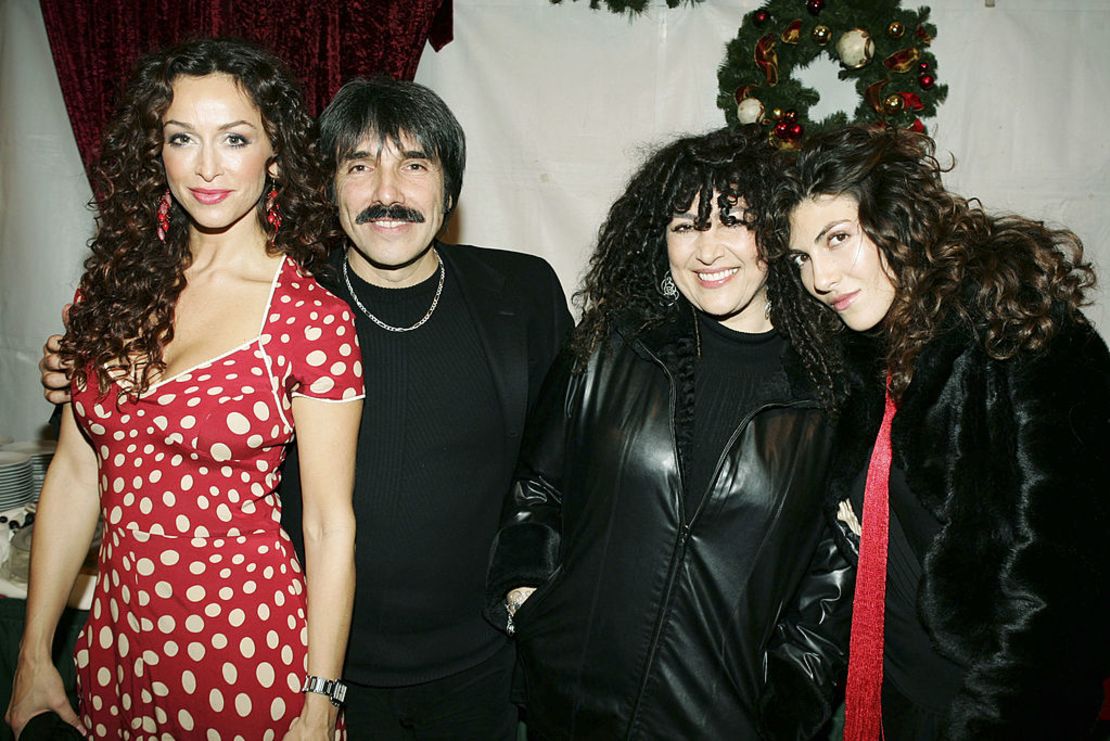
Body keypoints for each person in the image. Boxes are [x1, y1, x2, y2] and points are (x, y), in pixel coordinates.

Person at [42, 76, 573, 739]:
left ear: (450, 186)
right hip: (313, 665)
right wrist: (81, 363)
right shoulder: (283, 302)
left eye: (414, 165)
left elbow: (569, 456)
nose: (387, 193)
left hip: (481, 669)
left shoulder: (521, 295)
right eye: (359, 166)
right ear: (326, 185)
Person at [7, 38, 364, 739]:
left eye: (234, 138)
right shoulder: (113, 290)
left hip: (245, 653)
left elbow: (328, 525)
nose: (206, 167)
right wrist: (33, 652)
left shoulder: (310, 319)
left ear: (275, 152)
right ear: (156, 150)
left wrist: (320, 699)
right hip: (119, 640)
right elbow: (79, 474)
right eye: (181, 138)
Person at [485, 127, 853, 740]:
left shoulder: (831, 390)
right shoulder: (609, 344)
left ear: (777, 233)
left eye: (732, 221)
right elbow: (538, 485)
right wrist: (530, 598)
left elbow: (832, 576)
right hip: (572, 706)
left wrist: (787, 704)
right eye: (685, 225)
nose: (707, 250)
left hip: (721, 721)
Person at [767, 124, 1110, 739]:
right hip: (891, 691)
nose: (819, 278)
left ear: (897, 219)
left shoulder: (1019, 329)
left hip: (989, 705)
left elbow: (1066, 578)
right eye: (802, 258)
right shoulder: (869, 355)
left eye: (838, 239)